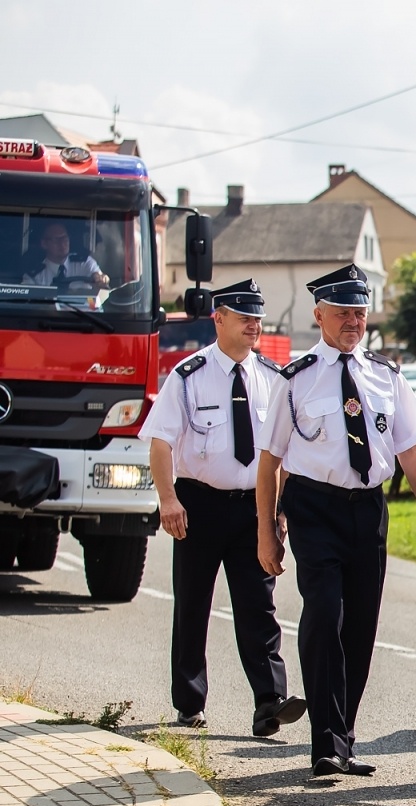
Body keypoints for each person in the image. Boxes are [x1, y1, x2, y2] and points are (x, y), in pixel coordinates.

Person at [257, 265, 416, 777]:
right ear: (319, 316)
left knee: (360, 625)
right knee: (323, 616)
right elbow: (269, 462)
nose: (354, 322)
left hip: (368, 509)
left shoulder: (386, 376)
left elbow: (412, 449)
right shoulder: (295, 378)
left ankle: (344, 736)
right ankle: (326, 742)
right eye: (343, 313)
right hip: (314, 507)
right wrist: (266, 530)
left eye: (360, 313)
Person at [140, 279, 306, 736]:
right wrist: (168, 499)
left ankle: (269, 702)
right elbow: (161, 442)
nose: (254, 325)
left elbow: (284, 453)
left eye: (258, 318)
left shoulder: (273, 378)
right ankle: (190, 701)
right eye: (245, 317)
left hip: (253, 507)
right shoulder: (188, 375)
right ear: (219, 318)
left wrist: (279, 511)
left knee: (259, 605)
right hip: (199, 504)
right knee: (193, 604)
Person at [23, 220, 109, 289]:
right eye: (56, 240)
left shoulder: (85, 263)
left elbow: (99, 278)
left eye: (65, 238)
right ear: (44, 244)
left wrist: (100, 279)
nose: (62, 243)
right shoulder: (34, 276)